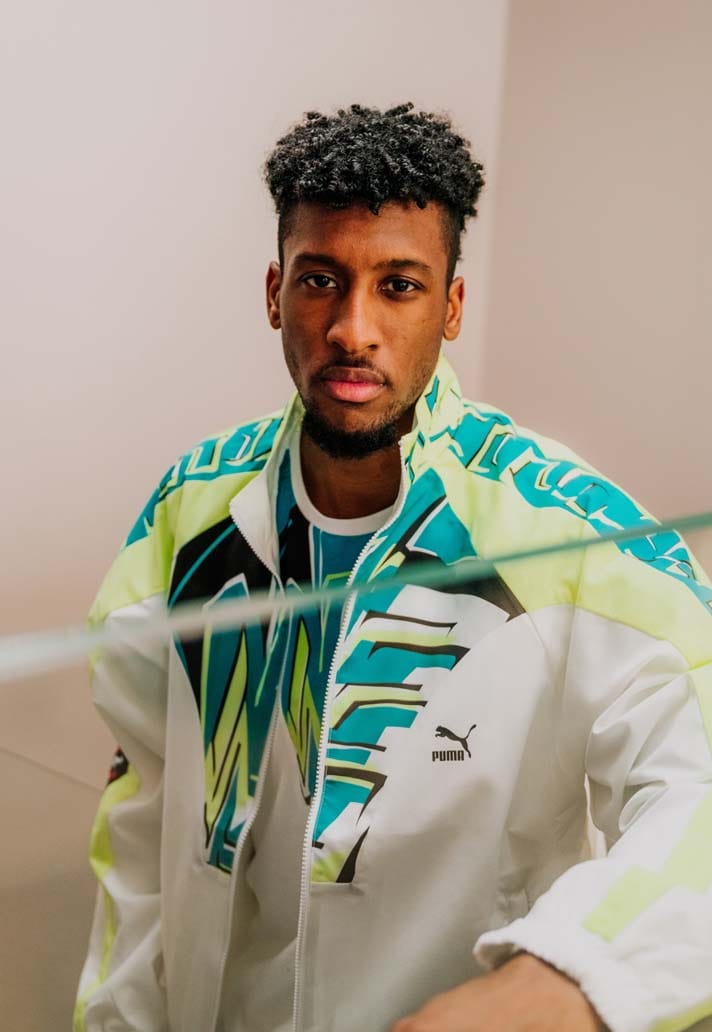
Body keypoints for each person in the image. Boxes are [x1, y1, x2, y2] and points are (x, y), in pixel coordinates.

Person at [74, 103, 712, 1032]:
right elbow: (139, 832)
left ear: (451, 306)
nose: (352, 328)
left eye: (399, 286)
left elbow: (699, 791)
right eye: (320, 280)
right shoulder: (190, 511)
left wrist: (567, 980)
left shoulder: (569, 530)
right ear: (274, 293)